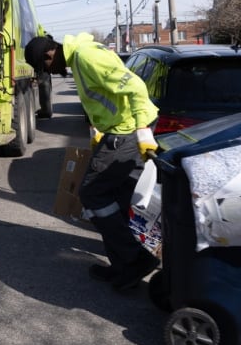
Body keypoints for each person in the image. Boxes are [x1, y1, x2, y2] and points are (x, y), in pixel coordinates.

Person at [33, 32, 161, 292]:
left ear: (50, 54)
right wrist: (97, 129)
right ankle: (124, 265)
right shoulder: (79, 57)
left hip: (127, 132)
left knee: (93, 195)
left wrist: (143, 131)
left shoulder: (85, 56)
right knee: (121, 197)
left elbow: (134, 86)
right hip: (120, 131)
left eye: (43, 67)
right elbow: (102, 96)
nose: (47, 72)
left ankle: (135, 259)